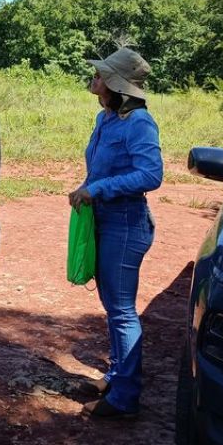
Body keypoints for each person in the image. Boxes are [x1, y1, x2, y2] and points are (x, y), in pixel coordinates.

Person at [68, 47, 163, 419]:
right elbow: (102, 170)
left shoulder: (138, 122)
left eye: (101, 74)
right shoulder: (105, 118)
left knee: (122, 311)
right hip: (105, 220)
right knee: (113, 307)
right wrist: (86, 186)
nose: (94, 78)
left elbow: (151, 175)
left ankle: (124, 399)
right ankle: (116, 375)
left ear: (115, 84)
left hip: (125, 223)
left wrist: (98, 189)